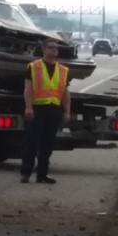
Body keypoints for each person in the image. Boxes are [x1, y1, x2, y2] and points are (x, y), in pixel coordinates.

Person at [20, 38, 71, 184]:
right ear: (43, 50)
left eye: (56, 48)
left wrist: (67, 111)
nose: (54, 50)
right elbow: (27, 89)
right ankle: (26, 173)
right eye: (50, 47)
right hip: (37, 109)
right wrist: (28, 107)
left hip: (54, 110)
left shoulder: (62, 70)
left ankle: (42, 174)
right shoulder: (33, 67)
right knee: (32, 143)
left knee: (48, 144)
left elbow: (65, 93)